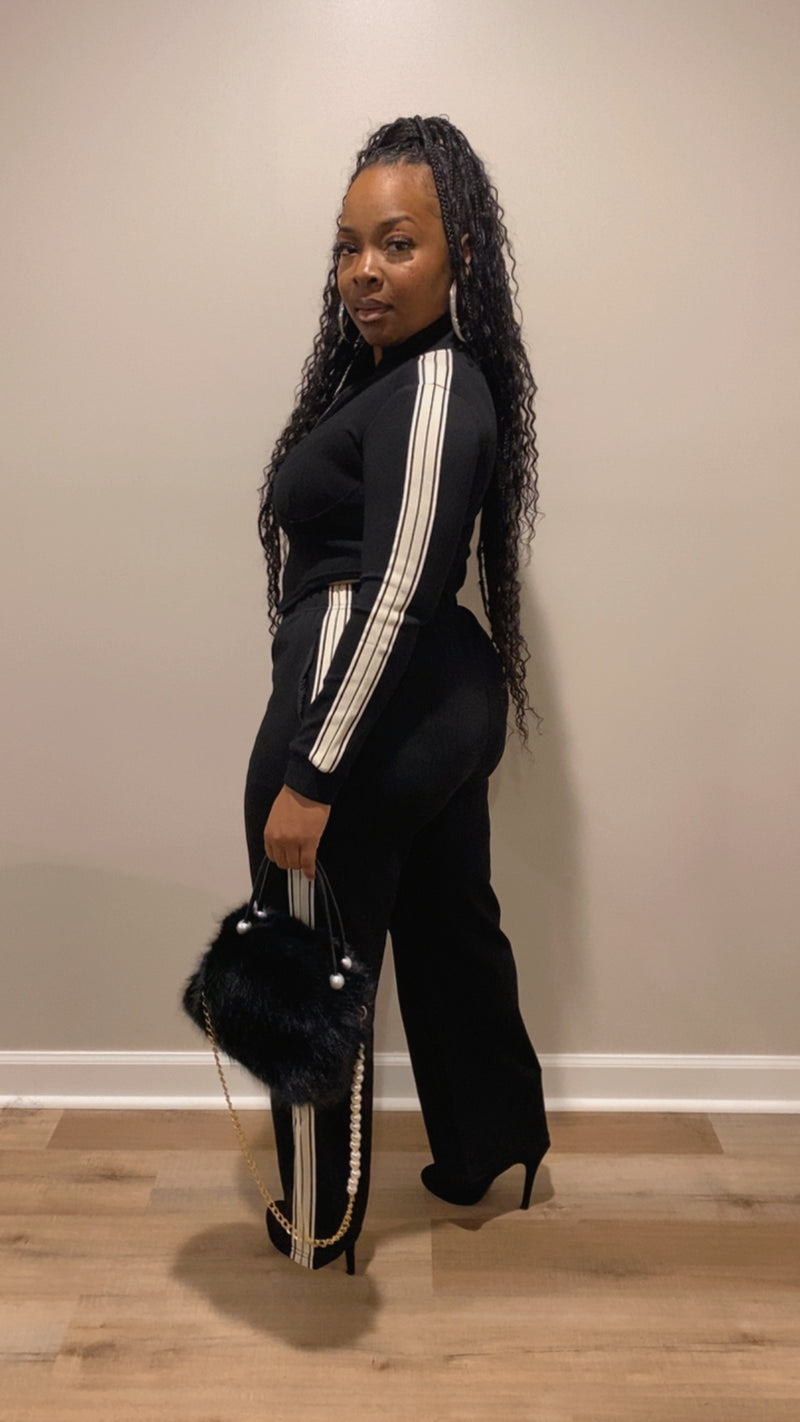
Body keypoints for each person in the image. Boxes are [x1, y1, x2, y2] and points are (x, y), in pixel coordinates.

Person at [244, 115, 550, 1274]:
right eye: (347, 247)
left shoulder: (431, 386)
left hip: (365, 699)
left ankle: (318, 1216)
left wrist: (310, 773)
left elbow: (401, 589)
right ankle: (491, 1145)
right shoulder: (397, 382)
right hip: (430, 705)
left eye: (396, 243)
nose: (363, 271)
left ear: (457, 250)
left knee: (305, 951)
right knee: (445, 921)